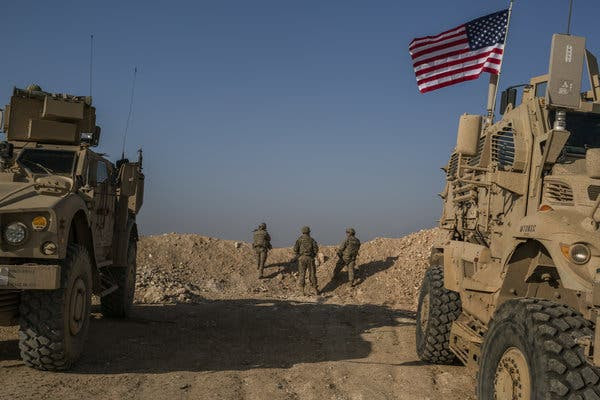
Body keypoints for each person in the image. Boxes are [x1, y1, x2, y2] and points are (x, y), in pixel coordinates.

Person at [293, 226, 319, 295]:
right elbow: (316, 250)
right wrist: (313, 255)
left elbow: (295, 249)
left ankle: (301, 290)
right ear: (309, 232)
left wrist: (298, 255)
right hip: (310, 258)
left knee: (302, 274)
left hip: (302, 258)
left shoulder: (299, 239)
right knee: (312, 274)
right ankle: (315, 289)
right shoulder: (312, 240)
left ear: (302, 232)